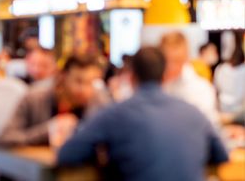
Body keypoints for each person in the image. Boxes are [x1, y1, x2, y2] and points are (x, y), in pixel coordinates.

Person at [58, 47, 229, 181]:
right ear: (164, 76)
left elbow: (67, 154)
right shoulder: (193, 113)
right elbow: (222, 155)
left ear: (131, 77)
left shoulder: (115, 114)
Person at [0, 55, 109, 147]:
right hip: (35, 168)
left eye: (91, 82)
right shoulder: (34, 98)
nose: (85, 90)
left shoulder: (98, 101)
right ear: (62, 77)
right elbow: (6, 138)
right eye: (79, 82)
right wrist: (48, 131)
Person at [160, 31, 219, 125]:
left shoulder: (202, 89)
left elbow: (208, 126)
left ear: (185, 57)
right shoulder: (157, 85)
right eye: (166, 61)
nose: (170, 67)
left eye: (175, 61)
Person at [214, 46, 245, 114]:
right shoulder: (243, 69)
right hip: (238, 106)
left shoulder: (220, 68)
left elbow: (216, 86)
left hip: (222, 104)